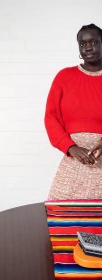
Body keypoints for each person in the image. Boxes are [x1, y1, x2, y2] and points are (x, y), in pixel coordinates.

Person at [45, 23, 102, 200]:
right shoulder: (64, 77)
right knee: (62, 216)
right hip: (74, 158)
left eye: (94, 42)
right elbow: (51, 117)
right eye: (82, 44)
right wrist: (70, 147)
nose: (88, 47)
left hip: (100, 155)